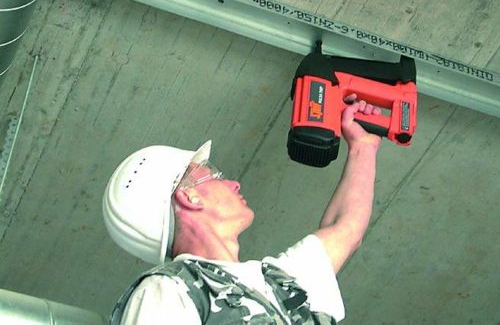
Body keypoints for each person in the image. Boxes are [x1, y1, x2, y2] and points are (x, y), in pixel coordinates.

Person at [103, 96, 382, 324]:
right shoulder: (166, 290)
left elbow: (346, 229)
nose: (233, 183)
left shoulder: (278, 285)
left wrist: (363, 147)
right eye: (215, 175)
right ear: (189, 197)